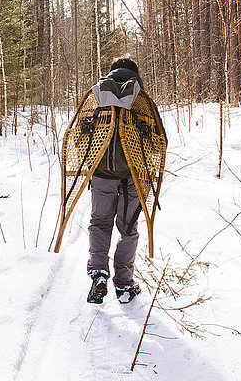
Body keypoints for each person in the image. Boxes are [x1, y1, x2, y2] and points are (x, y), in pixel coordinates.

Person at [86, 56, 165, 304]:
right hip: (133, 177)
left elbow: (79, 134)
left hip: (101, 173)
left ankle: (98, 272)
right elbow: (158, 140)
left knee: (100, 223)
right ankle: (123, 283)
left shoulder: (96, 97)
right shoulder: (141, 100)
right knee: (128, 229)